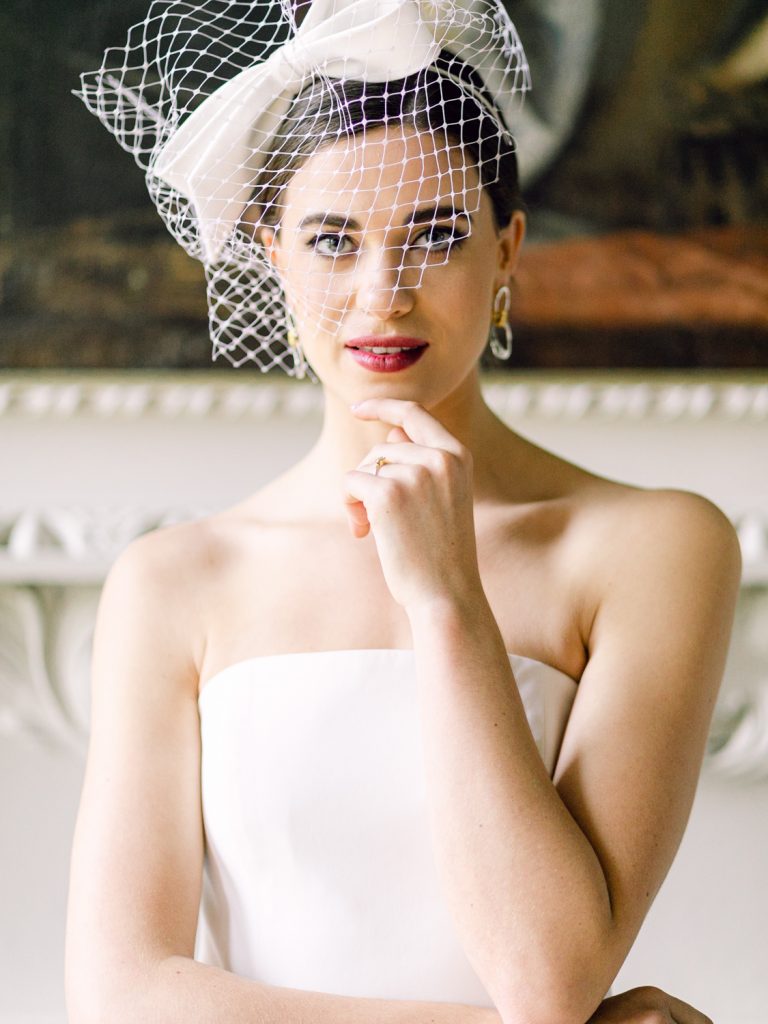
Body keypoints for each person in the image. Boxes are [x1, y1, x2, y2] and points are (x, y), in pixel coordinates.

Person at [65, 2, 739, 1022]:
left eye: (437, 235)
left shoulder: (656, 546)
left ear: (508, 249)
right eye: (333, 240)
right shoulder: (172, 582)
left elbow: (550, 980)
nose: (383, 294)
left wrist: (447, 600)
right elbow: (122, 993)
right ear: (271, 251)